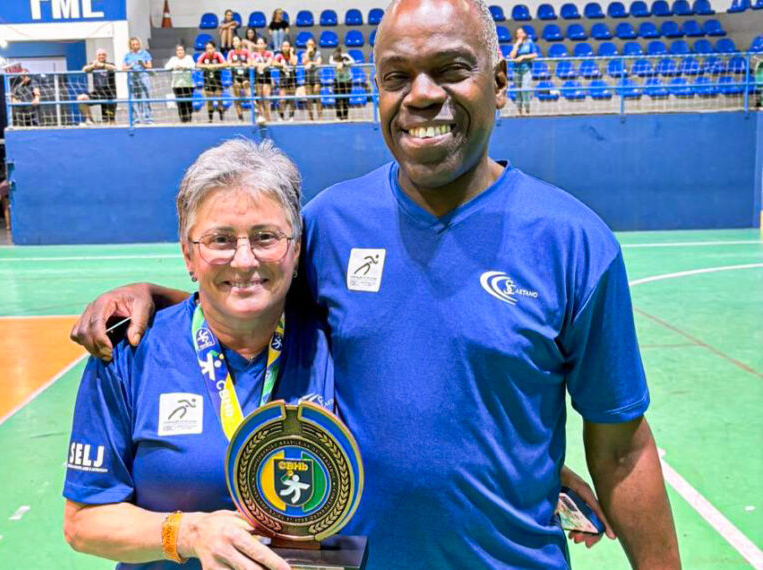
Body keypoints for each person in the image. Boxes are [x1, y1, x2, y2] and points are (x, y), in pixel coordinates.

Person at [71, 1, 681, 568]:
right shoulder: (333, 224)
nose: (421, 95)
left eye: (450, 69)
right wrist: (151, 298)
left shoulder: (573, 242)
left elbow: (622, 446)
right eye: (396, 76)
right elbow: (250, 298)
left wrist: (520, 469)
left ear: (499, 80)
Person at [63, 139, 332, 570]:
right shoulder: (129, 354)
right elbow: (84, 522)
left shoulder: (335, 343)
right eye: (220, 240)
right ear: (189, 254)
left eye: (266, 237)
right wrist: (187, 534)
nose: (244, 260)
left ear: (296, 248)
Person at [77, 49, 118, 125]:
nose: (101, 56)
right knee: (81, 98)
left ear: (106, 56)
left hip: (109, 95)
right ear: (96, 57)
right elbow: (84, 69)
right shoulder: (93, 65)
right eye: (99, 55)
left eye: (103, 54)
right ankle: (90, 120)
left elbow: (115, 68)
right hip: (98, 93)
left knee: (109, 122)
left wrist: (103, 65)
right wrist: (93, 66)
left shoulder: (110, 64)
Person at [123, 37, 153, 124]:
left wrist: (143, 64)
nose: (135, 46)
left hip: (143, 76)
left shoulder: (145, 54)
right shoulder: (127, 55)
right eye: (133, 44)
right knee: (133, 99)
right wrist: (130, 66)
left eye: (137, 44)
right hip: (132, 76)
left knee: (145, 97)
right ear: (130, 46)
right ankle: (135, 119)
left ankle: (148, 119)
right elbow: (123, 68)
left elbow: (149, 66)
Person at [509, 27, 538, 115]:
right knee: (518, 91)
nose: (520, 34)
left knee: (525, 89)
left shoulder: (529, 43)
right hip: (516, 70)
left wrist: (523, 57)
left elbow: (534, 55)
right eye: (518, 33)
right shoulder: (515, 44)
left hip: (526, 69)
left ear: (525, 34)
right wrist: (517, 45)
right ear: (516, 36)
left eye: (522, 32)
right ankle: (520, 111)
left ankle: (527, 109)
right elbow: (512, 56)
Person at [196, 41, 227, 123]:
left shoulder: (218, 55)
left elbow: (225, 64)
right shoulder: (204, 56)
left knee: (219, 99)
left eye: (211, 48)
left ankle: (221, 119)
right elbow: (197, 64)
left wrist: (214, 66)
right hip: (207, 80)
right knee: (209, 101)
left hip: (217, 80)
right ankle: (210, 119)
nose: (209, 50)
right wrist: (207, 66)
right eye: (207, 49)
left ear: (214, 48)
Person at [164, 44, 195, 123]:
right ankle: (183, 121)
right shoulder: (173, 59)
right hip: (177, 85)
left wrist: (184, 67)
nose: (180, 52)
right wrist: (175, 67)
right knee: (180, 104)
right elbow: (167, 67)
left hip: (188, 85)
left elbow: (192, 65)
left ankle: (189, 119)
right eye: (178, 50)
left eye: (181, 50)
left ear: (184, 51)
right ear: (176, 52)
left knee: (188, 103)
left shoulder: (189, 58)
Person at [227, 36, 251, 122]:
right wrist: (237, 64)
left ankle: (255, 112)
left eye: (236, 40)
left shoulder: (246, 52)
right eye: (233, 41)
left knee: (246, 86)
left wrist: (245, 65)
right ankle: (241, 117)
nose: (235, 43)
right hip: (235, 77)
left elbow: (249, 63)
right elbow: (229, 63)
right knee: (237, 95)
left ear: (240, 42)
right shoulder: (231, 53)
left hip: (245, 76)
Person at [252, 37, 275, 125]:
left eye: (262, 43)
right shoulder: (254, 54)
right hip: (257, 78)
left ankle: (268, 119)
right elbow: (253, 63)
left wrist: (262, 66)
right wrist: (259, 65)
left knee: (266, 99)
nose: (260, 45)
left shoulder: (269, 53)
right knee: (260, 99)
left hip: (266, 77)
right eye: (258, 43)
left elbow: (269, 62)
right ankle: (261, 118)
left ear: (265, 45)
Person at [273, 40, 298, 121]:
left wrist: (291, 53)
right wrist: (282, 65)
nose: (285, 48)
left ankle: (291, 116)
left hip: (292, 79)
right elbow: (273, 63)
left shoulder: (294, 56)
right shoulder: (279, 55)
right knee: (282, 100)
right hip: (283, 80)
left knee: (291, 100)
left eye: (287, 46)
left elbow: (294, 63)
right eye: (283, 46)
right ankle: (281, 116)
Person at [329, 46, 354, 120]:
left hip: (347, 81)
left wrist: (343, 63)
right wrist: (337, 64)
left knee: (346, 99)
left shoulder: (346, 56)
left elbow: (353, 61)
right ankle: (338, 115)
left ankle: (345, 115)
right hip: (337, 81)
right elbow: (330, 62)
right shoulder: (332, 57)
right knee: (337, 99)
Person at [300, 38, 323, 120]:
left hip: (316, 77)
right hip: (308, 78)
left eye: (312, 45)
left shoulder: (318, 53)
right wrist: (307, 53)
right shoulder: (303, 54)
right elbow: (304, 62)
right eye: (308, 45)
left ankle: (320, 117)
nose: (310, 46)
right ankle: (311, 118)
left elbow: (319, 63)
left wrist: (311, 63)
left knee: (317, 97)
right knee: (309, 99)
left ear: (315, 45)